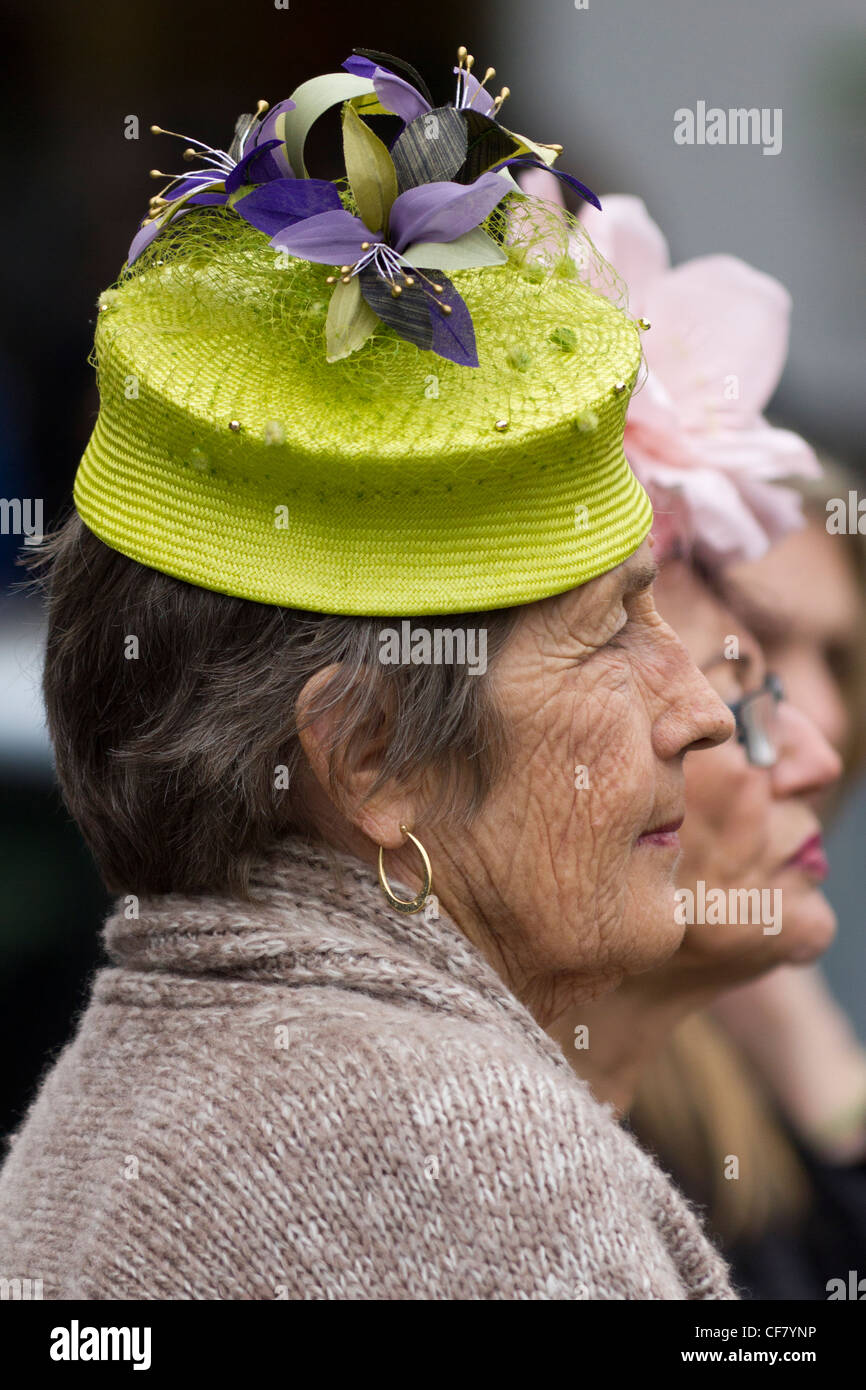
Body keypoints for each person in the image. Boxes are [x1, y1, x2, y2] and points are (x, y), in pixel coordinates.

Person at [0, 47, 744, 1300]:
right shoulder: (470, 1160)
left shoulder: (95, 1118)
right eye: (612, 631)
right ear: (371, 755)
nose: (704, 710)